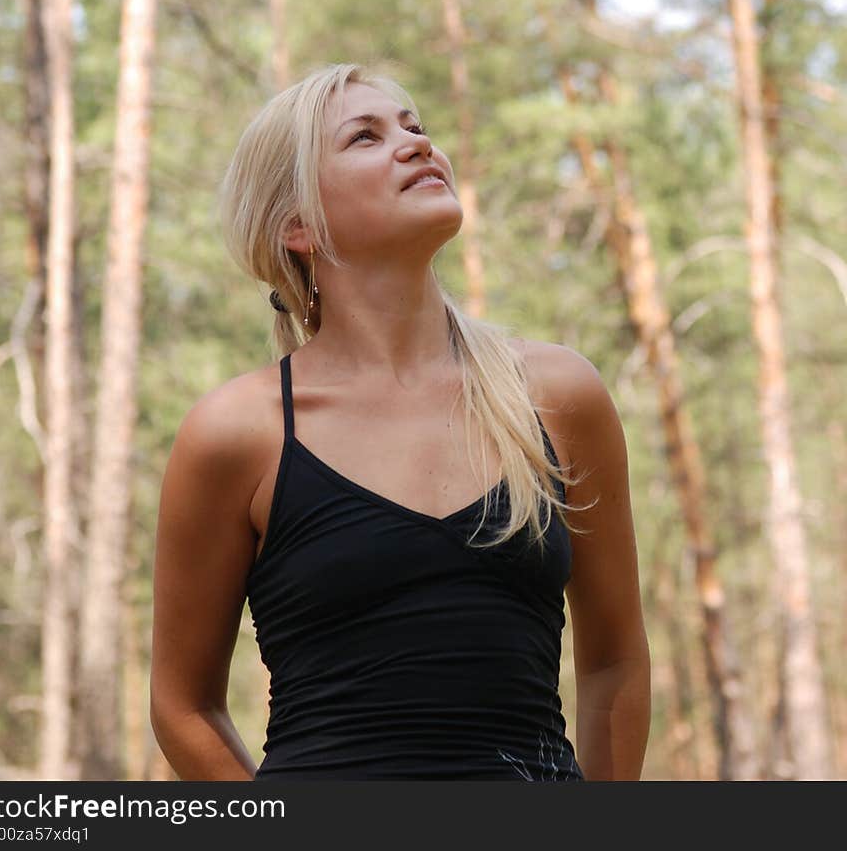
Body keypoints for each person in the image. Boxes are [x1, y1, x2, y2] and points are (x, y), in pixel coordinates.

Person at [150, 62, 651, 780]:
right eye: (365, 136)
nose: (417, 144)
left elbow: (616, 662)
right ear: (297, 224)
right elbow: (182, 706)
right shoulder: (237, 432)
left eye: (415, 126)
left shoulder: (556, 393)